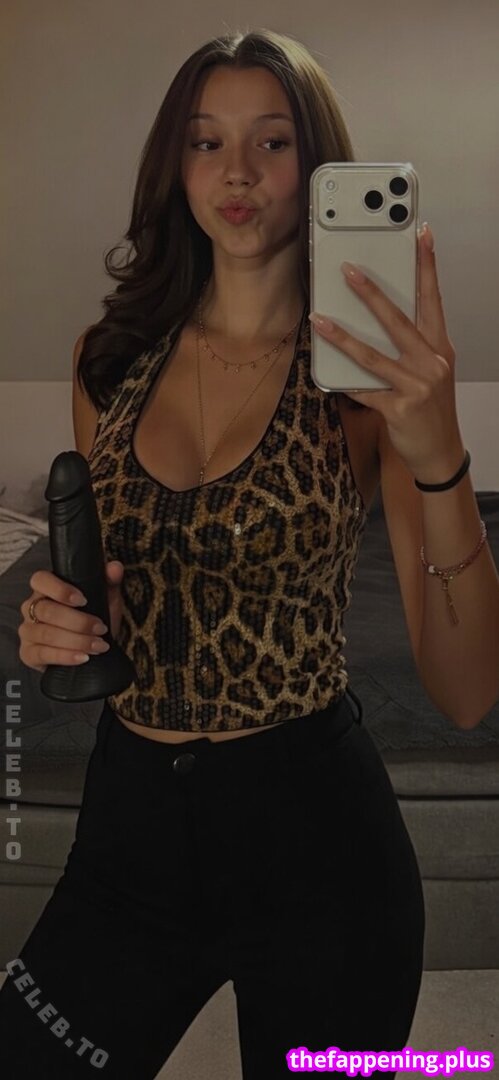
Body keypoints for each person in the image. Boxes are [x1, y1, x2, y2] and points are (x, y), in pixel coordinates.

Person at [4, 25, 494, 1080]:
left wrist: (440, 455)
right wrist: (68, 625)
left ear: (317, 168)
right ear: (173, 165)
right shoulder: (108, 359)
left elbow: (464, 696)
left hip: (321, 850)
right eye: (205, 141)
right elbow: (112, 592)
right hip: (129, 834)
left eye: (272, 143)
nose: (236, 172)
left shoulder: (368, 387)